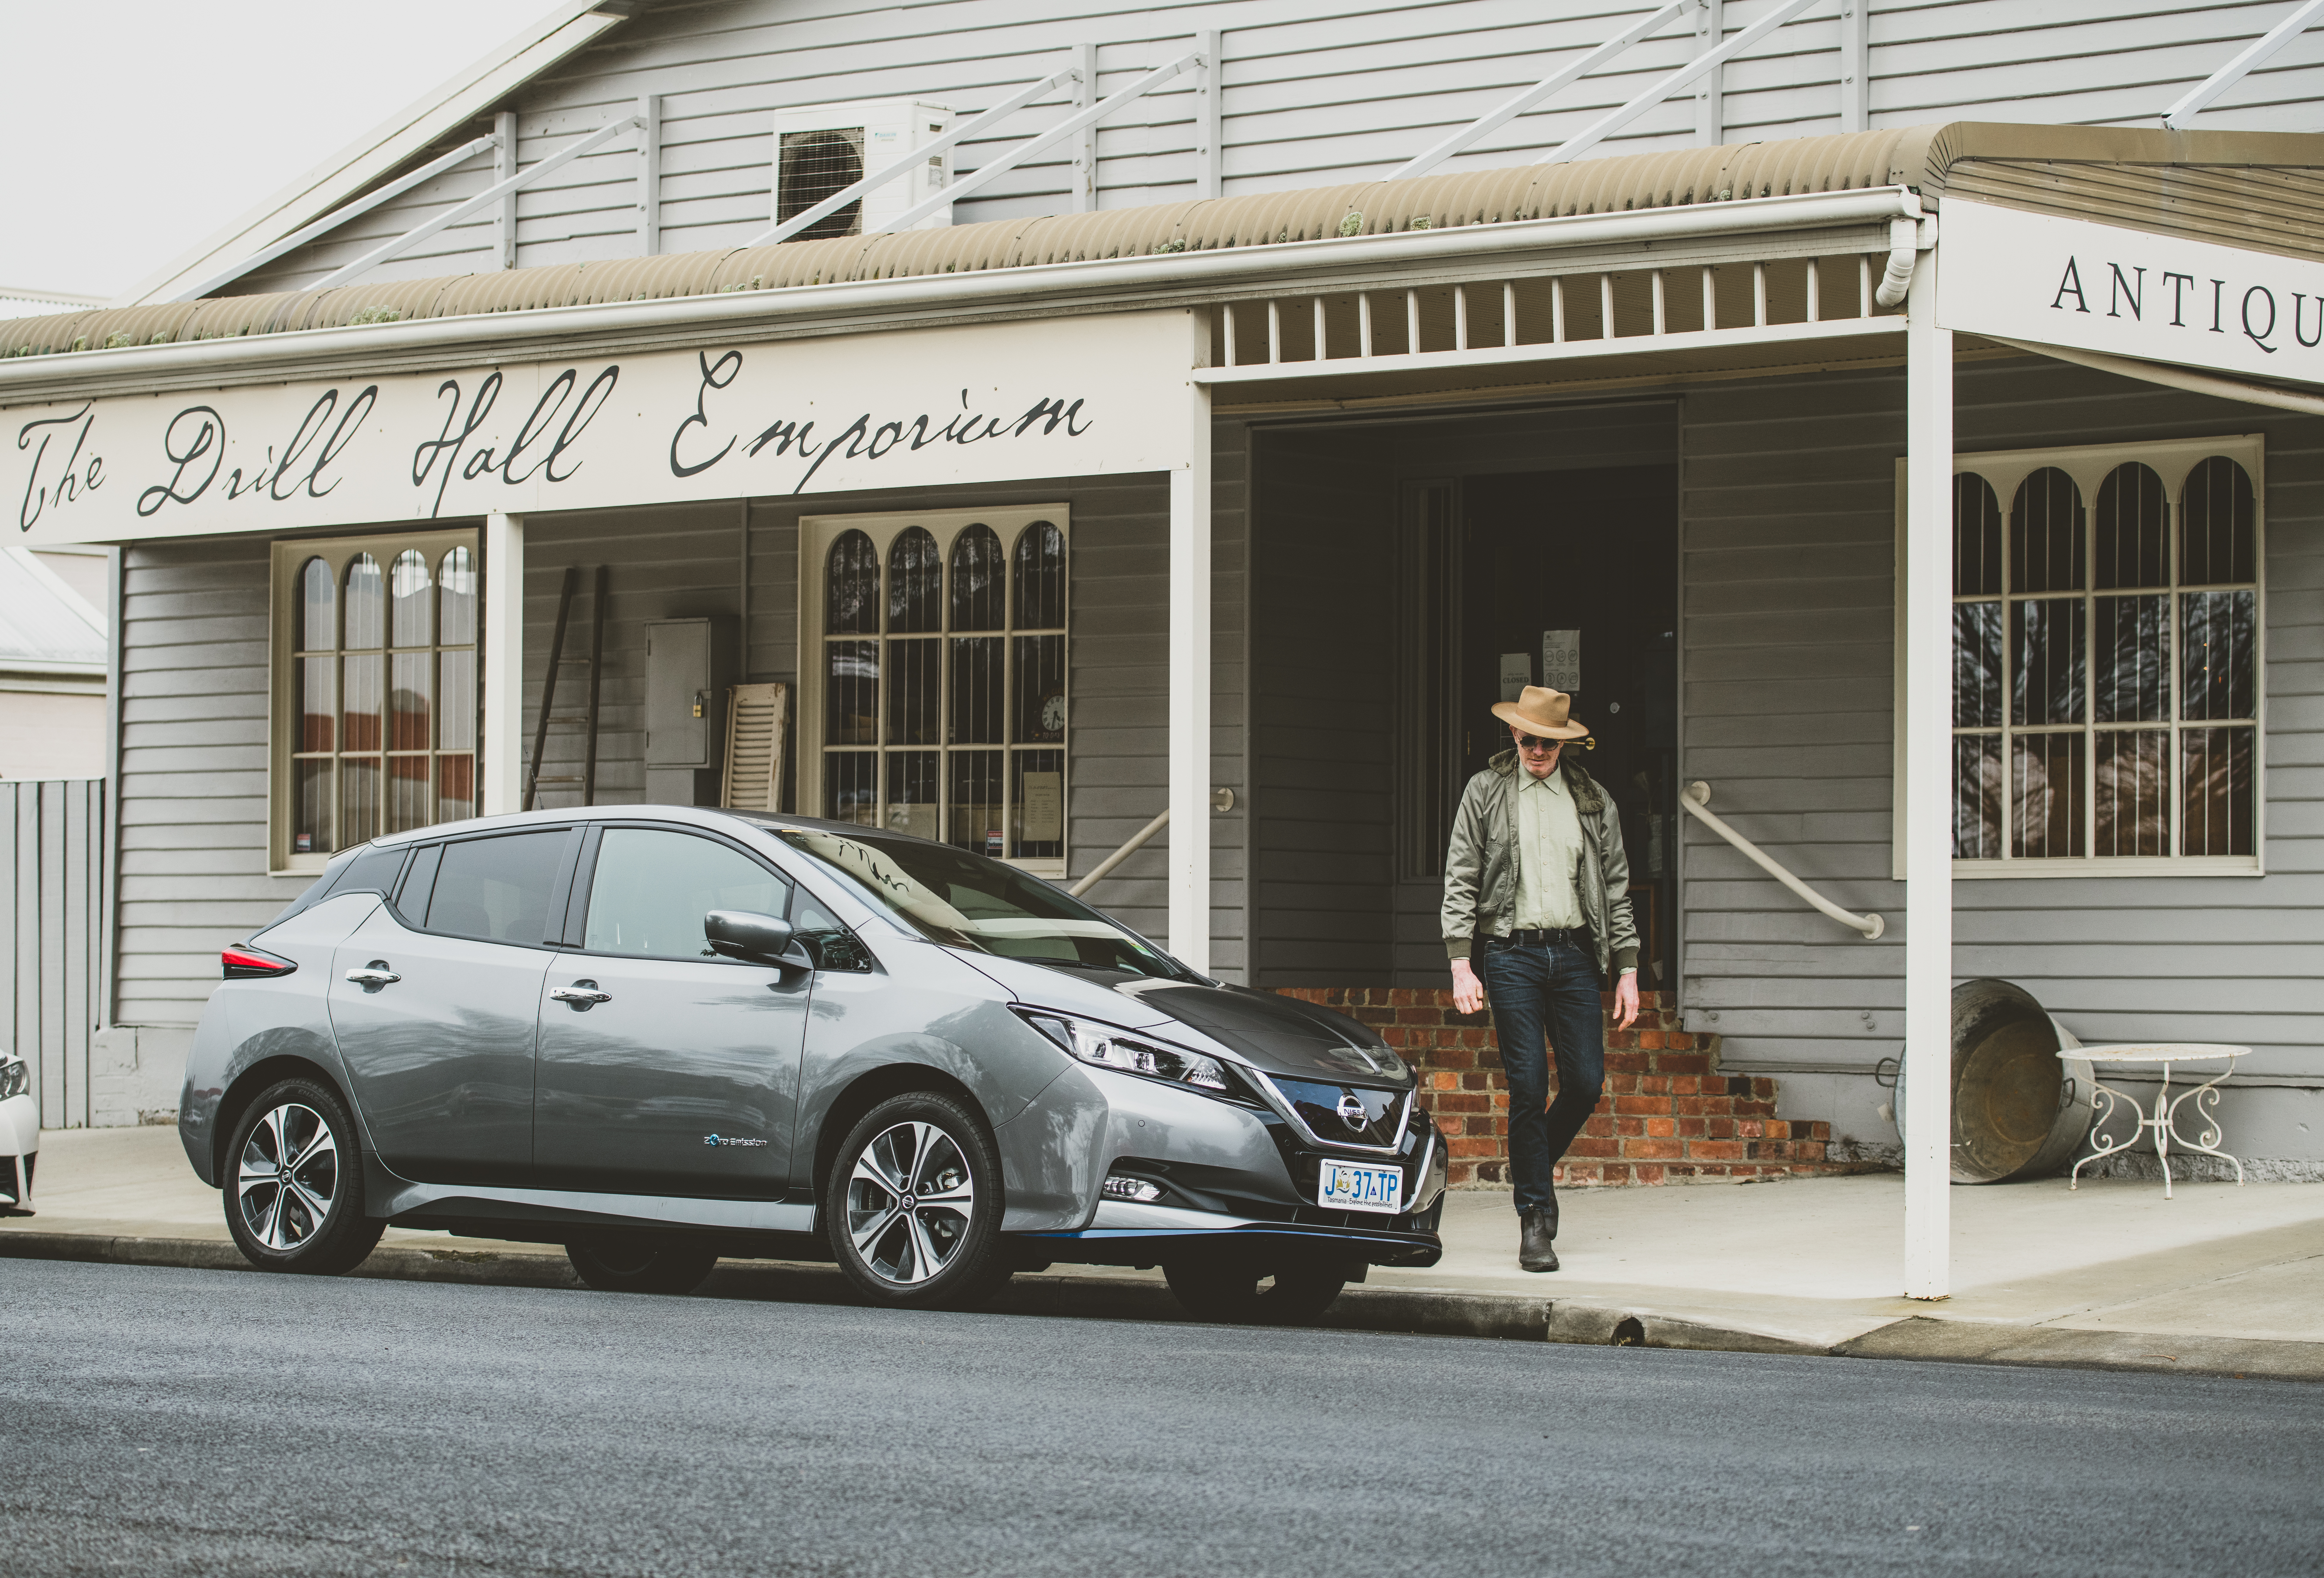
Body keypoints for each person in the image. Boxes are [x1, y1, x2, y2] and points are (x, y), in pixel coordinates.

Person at [1441, 685, 1639, 1273]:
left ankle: (1531, 1165)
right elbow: (1461, 875)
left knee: (1585, 1084)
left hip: (1575, 955)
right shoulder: (1486, 791)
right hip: (1511, 956)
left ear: (1564, 743)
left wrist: (1627, 970)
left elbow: (1618, 886)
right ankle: (1536, 1220)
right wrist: (1460, 962)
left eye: (1547, 741)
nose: (1536, 750)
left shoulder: (1591, 798)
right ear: (1515, 736)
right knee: (1527, 1086)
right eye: (1527, 739)